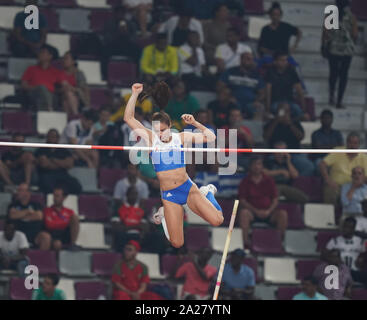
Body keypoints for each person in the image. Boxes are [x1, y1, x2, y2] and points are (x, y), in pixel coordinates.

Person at [124, 82, 223, 248]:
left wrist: (195, 124)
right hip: (170, 195)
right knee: (177, 243)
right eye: (157, 131)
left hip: (187, 188)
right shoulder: (150, 138)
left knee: (218, 220)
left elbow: (211, 138)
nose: (160, 134)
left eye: (163, 130)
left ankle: (208, 192)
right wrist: (134, 94)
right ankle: (164, 214)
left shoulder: (181, 137)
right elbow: (128, 118)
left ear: (170, 127)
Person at [238, 156, 287, 247]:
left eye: (259, 164)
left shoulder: (269, 181)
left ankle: (279, 243)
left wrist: (268, 211)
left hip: (269, 213)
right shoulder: (245, 182)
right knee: (244, 213)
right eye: (254, 164)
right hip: (252, 213)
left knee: (282, 214)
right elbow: (243, 201)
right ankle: (245, 243)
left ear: (262, 166)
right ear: (250, 166)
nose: (257, 167)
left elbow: (275, 199)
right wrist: (256, 211)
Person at [322, 0, 358, 109]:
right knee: (343, 75)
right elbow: (355, 34)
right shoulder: (352, 16)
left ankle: (331, 96)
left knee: (333, 73)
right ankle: (339, 100)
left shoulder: (331, 14)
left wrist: (323, 45)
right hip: (347, 49)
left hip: (334, 47)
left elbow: (326, 31)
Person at [263, 103, 315, 176]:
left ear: (289, 112)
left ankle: (296, 182)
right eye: (281, 111)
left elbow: (301, 137)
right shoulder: (271, 123)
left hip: (294, 154)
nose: (284, 113)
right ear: (277, 111)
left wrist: (290, 124)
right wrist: (276, 121)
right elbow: (266, 137)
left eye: (286, 111)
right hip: (275, 155)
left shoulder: (295, 123)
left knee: (309, 167)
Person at [319, 132, 367, 205]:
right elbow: (322, 164)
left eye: (355, 143)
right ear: (346, 143)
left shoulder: (364, 157)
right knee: (329, 191)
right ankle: (331, 215)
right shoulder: (338, 151)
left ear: (359, 145)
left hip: (357, 186)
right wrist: (328, 180)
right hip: (337, 186)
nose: (352, 146)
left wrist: (359, 184)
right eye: (350, 142)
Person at [218, 52, 265, 119]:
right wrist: (228, 97)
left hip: (251, 103)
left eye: (252, 59)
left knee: (260, 107)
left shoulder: (256, 75)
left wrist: (257, 101)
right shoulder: (231, 71)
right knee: (232, 106)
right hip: (234, 101)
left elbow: (262, 92)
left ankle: (254, 128)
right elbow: (220, 86)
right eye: (248, 59)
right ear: (241, 59)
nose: (251, 61)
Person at [35, 129, 82, 195]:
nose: (52, 138)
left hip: (62, 175)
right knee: (46, 186)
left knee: (76, 186)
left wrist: (53, 160)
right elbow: (44, 164)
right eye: (50, 136)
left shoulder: (63, 150)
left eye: (54, 136)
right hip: (47, 175)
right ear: (47, 137)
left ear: (58, 138)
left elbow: (69, 164)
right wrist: (62, 163)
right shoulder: (41, 150)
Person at [101, 5, 141, 78]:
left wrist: (126, 34)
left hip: (127, 46)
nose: (120, 15)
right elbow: (107, 39)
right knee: (103, 51)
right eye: (118, 13)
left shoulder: (130, 24)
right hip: (114, 46)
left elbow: (134, 39)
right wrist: (118, 34)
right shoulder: (109, 24)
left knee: (138, 51)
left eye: (122, 13)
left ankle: (137, 75)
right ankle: (105, 76)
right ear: (115, 14)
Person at [265, 51, 307, 120]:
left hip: (290, 102)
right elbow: (268, 91)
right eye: (282, 60)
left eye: (286, 60)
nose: (285, 62)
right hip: (276, 103)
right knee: (281, 112)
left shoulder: (291, 71)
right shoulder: (270, 72)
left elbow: (299, 90)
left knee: (298, 111)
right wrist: (268, 109)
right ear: (275, 61)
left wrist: (304, 109)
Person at [21, 46, 63, 111]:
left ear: (50, 56)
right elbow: (24, 85)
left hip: (52, 97)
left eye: (43, 52)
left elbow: (64, 85)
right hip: (34, 94)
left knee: (47, 93)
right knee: (41, 88)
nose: (39, 54)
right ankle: (49, 110)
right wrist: (37, 88)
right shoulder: (31, 69)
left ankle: (47, 110)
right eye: (40, 52)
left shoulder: (55, 72)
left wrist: (53, 91)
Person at [7, 183, 48, 249]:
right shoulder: (13, 205)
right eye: (20, 190)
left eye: (25, 190)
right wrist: (28, 211)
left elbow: (39, 216)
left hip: (35, 235)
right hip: (18, 235)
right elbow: (13, 215)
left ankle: (41, 258)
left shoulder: (36, 205)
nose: (23, 193)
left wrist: (20, 215)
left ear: (29, 193)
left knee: (46, 237)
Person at [324, 217, 364, 281]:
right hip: (339, 271)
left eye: (348, 227)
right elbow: (323, 255)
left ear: (353, 229)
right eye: (344, 226)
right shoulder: (334, 241)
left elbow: (364, 256)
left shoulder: (360, 242)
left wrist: (361, 260)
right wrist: (334, 260)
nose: (345, 229)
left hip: (355, 271)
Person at [40, 186, 80, 251]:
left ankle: (73, 244)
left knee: (75, 217)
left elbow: (72, 223)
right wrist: (65, 222)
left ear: (64, 197)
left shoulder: (69, 211)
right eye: (54, 196)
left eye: (57, 196)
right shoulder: (47, 210)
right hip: (53, 235)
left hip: (65, 234)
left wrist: (58, 222)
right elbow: (50, 225)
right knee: (57, 244)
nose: (55, 198)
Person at [112, 186, 148, 252]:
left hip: (137, 236)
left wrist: (126, 226)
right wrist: (136, 226)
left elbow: (144, 227)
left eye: (135, 194)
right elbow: (116, 227)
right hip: (124, 235)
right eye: (131, 193)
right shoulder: (119, 209)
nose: (133, 196)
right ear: (127, 194)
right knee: (119, 235)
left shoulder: (142, 210)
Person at [59, 51, 90, 116]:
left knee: (68, 97)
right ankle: (75, 116)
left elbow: (83, 89)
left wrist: (72, 89)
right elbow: (56, 89)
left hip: (78, 99)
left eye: (66, 58)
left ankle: (73, 117)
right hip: (61, 98)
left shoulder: (79, 74)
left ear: (73, 61)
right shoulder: (59, 73)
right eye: (63, 58)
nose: (64, 61)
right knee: (66, 99)